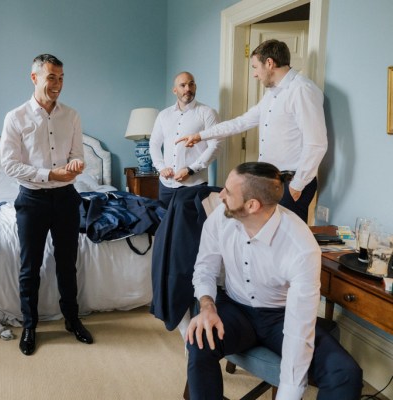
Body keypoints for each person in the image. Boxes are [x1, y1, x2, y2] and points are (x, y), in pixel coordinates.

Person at [186, 161, 362, 399]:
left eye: (228, 191)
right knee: (200, 341)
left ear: (252, 205)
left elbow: (298, 330)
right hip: (235, 308)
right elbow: (205, 267)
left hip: (281, 316)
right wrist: (207, 306)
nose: (220, 195)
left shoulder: (301, 247)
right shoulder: (220, 218)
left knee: (345, 372)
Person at [0, 54, 93, 356]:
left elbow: (77, 155)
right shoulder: (15, 118)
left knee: (68, 263)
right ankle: (30, 325)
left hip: (66, 198)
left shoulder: (72, 116)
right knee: (30, 266)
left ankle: (72, 319)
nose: (57, 84)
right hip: (32, 199)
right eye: (51, 77)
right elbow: (10, 165)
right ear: (34, 77)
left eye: (61, 77)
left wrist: (77, 164)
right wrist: (49, 174)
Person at [176, 39, 328, 223]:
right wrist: (200, 136)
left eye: (255, 67)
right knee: (266, 239)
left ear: (270, 63)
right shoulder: (272, 94)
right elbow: (241, 122)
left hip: (292, 182)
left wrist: (297, 186)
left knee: (286, 243)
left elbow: (316, 144)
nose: (254, 74)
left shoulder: (302, 90)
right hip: (270, 182)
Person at [149, 71, 222, 208]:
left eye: (191, 84)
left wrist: (190, 170)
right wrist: (161, 168)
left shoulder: (207, 113)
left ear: (195, 87)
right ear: (174, 90)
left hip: (194, 185)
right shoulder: (163, 115)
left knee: (191, 226)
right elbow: (154, 143)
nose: (188, 89)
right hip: (166, 184)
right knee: (165, 223)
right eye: (183, 85)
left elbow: (216, 146)